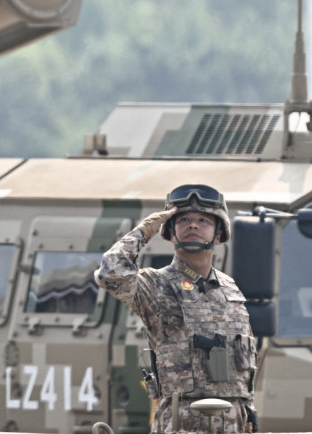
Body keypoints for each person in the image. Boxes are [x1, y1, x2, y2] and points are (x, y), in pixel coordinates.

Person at [95, 184, 255, 434]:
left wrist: (249, 412)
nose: (193, 225)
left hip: (233, 424)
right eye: (184, 220)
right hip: (180, 424)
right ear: (170, 231)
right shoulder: (156, 285)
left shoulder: (230, 289)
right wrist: (145, 230)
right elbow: (110, 274)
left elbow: (242, 366)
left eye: (204, 220)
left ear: (219, 233)